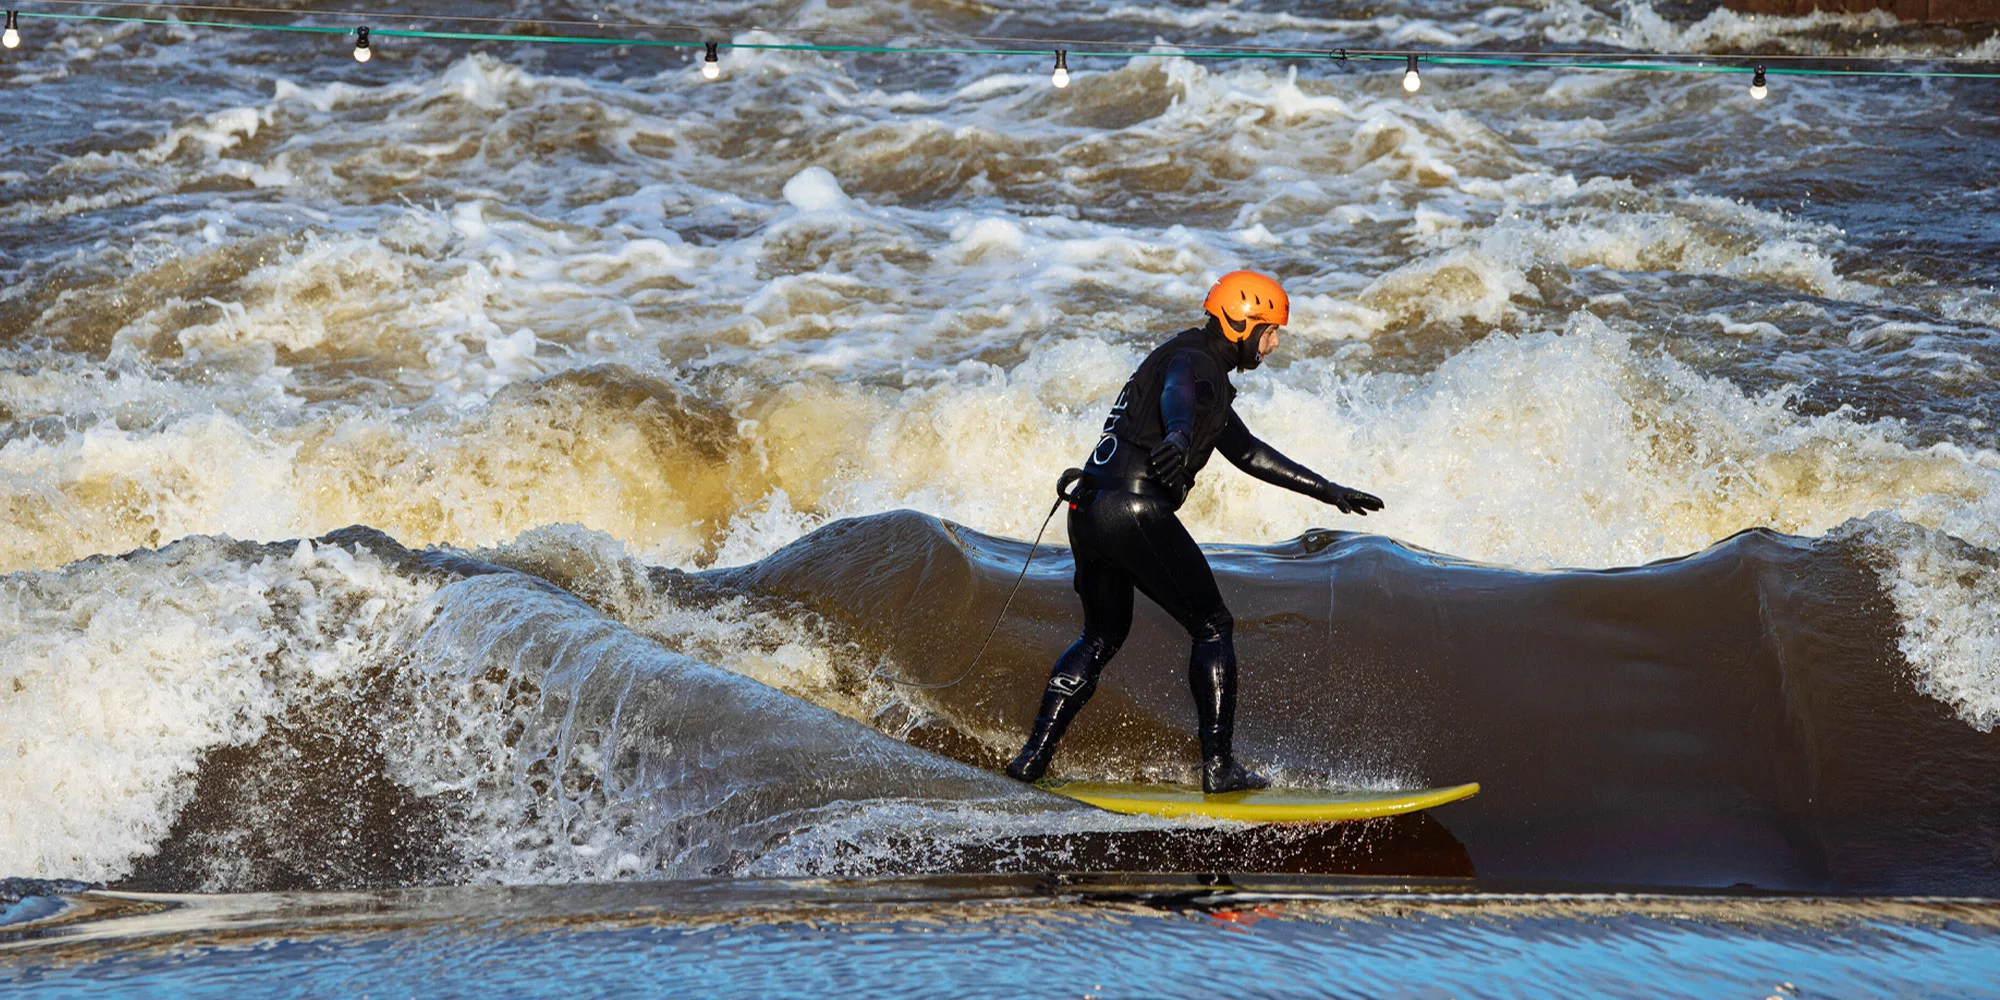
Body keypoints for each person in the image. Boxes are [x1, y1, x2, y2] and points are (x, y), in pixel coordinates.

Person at [1007, 271, 1385, 794]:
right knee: (1213, 626)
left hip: (1089, 509)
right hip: (1133, 509)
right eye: (1270, 331)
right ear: (1240, 325)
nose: (1274, 343)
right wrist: (1180, 435)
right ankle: (1219, 767)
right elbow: (1177, 395)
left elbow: (1248, 452)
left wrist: (1329, 490)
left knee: (1101, 635)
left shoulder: (1193, 362)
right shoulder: (1194, 364)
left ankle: (1032, 759)